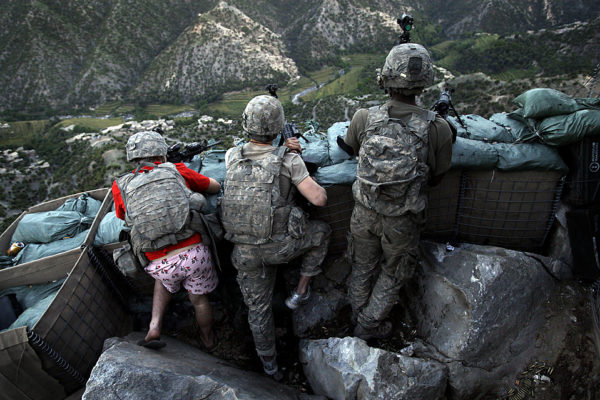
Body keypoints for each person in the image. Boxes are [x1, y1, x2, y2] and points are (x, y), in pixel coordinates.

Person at [344, 43, 453, 340]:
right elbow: (437, 177)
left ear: (385, 78)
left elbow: (352, 150)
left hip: (364, 211)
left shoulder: (364, 117)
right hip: (402, 219)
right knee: (394, 271)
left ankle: (357, 313)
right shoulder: (438, 128)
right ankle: (367, 325)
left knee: (362, 265)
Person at [220, 95, 331, 379]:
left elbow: (259, 159)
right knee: (321, 233)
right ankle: (300, 292)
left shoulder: (232, 156)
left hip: (243, 253)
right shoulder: (289, 160)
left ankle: (269, 367)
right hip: (279, 247)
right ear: (279, 128)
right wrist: (291, 155)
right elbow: (318, 199)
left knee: (258, 309)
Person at [112, 130, 221, 350]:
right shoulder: (176, 170)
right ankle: (208, 339)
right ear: (161, 155)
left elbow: (123, 216)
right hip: (194, 253)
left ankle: (154, 327)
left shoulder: (120, 185)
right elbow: (214, 186)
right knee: (199, 301)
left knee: (162, 281)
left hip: (159, 262)